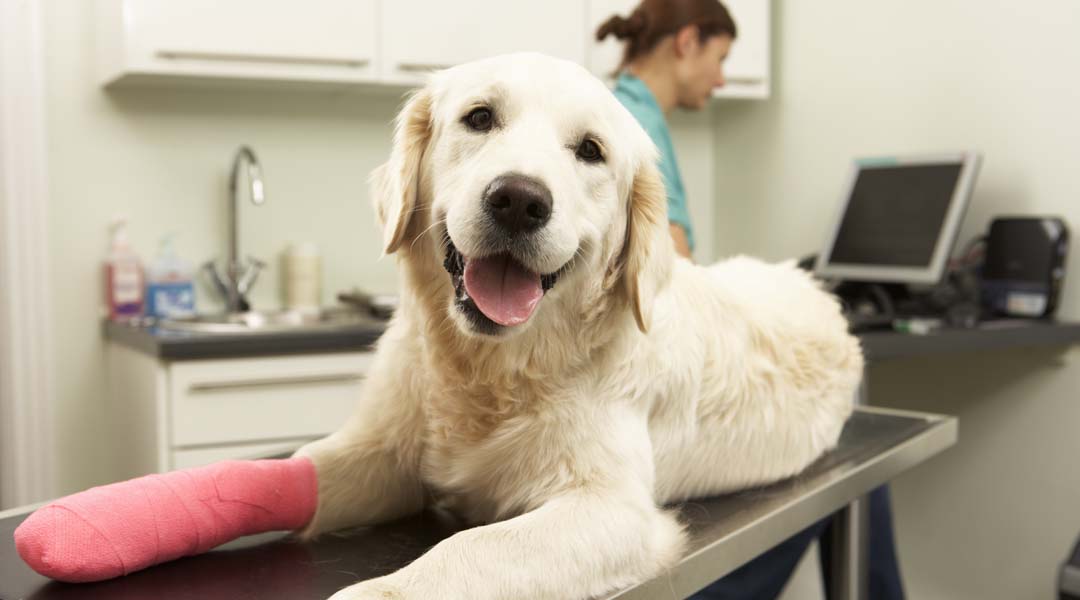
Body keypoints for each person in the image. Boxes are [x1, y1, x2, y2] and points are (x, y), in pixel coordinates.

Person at [597, 2, 905, 598]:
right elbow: (668, 280)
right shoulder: (627, 125)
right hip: (631, 400)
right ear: (687, 42)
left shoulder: (623, 114)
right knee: (845, 459)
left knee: (844, 457)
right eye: (720, 58)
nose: (722, 78)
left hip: (635, 387)